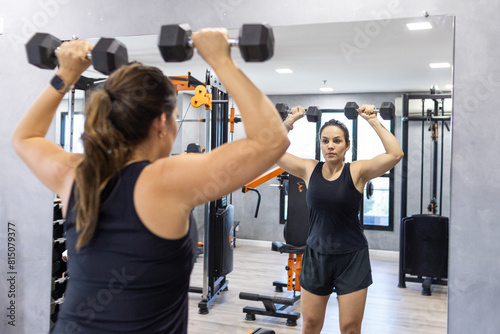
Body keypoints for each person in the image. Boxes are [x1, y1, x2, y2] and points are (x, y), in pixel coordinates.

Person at [11, 28, 289, 333]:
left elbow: (26, 137)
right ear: (162, 122)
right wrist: (220, 59)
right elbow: (271, 140)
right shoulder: (166, 180)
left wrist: (64, 75)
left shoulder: (74, 173)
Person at [278, 106, 403, 334]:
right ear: (320, 145)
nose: (330, 146)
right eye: (325, 141)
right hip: (316, 256)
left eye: (337, 141)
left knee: (350, 328)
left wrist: (373, 121)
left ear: (347, 145)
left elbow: (395, 154)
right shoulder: (309, 169)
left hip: (351, 257)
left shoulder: (357, 171)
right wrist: (289, 121)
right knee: (310, 325)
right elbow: (270, 151)